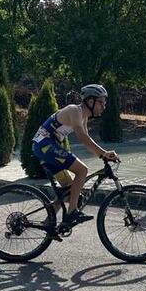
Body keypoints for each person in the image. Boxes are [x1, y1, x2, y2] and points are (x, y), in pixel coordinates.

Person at [32, 84, 119, 227]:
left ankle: (48, 224)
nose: (104, 106)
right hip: (44, 145)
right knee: (82, 170)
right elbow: (82, 137)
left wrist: (103, 155)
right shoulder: (74, 110)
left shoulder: (83, 117)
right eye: (101, 102)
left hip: (48, 146)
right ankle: (72, 211)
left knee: (69, 189)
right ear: (90, 101)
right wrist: (104, 154)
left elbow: (87, 140)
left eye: (105, 103)